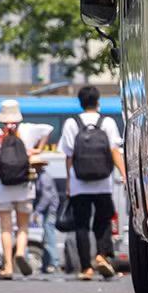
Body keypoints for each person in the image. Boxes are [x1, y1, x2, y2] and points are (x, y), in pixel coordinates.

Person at [58, 85, 125, 280]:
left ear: (80, 102)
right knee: (103, 221)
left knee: (81, 225)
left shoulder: (72, 123)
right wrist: (124, 174)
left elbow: (69, 156)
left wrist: (69, 182)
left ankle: (86, 268)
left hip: (79, 183)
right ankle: (101, 255)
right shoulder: (108, 122)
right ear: (98, 102)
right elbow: (114, 152)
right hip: (104, 182)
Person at [0, 99, 43, 278]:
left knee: (6, 228)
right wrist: (36, 150)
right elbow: (48, 129)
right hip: (25, 186)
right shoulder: (26, 130)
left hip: (3, 187)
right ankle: (20, 253)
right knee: (23, 226)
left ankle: (8, 266)